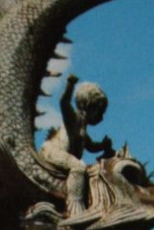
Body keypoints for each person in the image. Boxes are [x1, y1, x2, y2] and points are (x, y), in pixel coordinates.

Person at [40, 74, 114, 220]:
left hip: (60, 154)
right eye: (100, 111)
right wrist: (70, 85)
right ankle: (75, 207)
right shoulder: (74, 119)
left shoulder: (82, 130)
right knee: (78, 167)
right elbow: (64, 102)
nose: (101, 117)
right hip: (52, 151)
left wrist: (104, 146)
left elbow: (91, 146)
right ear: (90, 106)